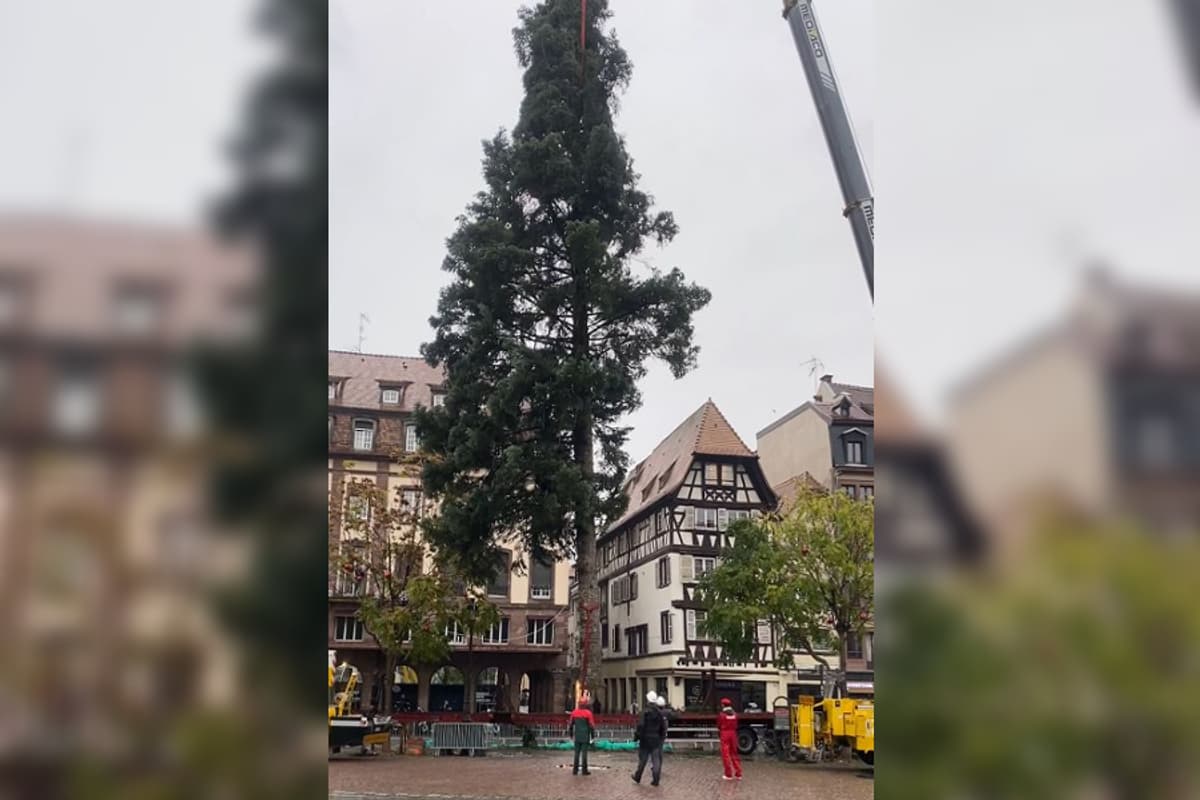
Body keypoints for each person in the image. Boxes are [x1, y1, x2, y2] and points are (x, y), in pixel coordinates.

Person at [632, 692, 667, 786]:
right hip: (656, 739)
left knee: (643, 760)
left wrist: (637, 736)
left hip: (645, 739)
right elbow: (663, 727)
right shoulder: (659, 713)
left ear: (647, 700)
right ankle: (656, 779)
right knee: (656, 760)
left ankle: (638, 776)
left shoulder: (645, 712)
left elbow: (641, 725)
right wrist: (661, 737)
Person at [716, 697, 743, 780]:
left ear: (723, 705)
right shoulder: (734, 714)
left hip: (725, 734)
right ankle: (738, 773)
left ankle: (728, 774)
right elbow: (736, 724)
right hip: (733, 734)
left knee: (726, 754)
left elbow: (719, 725)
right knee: (734, 753)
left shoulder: (722, 715)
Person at [569, 699, 596, 776]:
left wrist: (571, 735)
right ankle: (584, 770)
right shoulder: (588, 713)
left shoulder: (574, 713)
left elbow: (570, 725)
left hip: (577, 735)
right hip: (585, 735)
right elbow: (591, 726)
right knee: (584, 753)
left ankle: (575, 770)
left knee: (576, 753)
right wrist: (592, 736)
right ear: (586, 705)